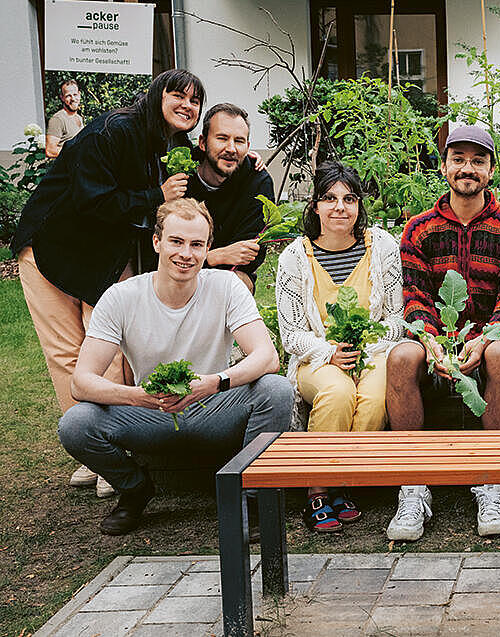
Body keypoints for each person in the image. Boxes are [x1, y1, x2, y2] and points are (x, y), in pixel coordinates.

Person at [13, 69, 205, 497]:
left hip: (102, 258)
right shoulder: (116, 130)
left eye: (195, 101)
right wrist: (157, 196)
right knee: (67, 353)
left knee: (109, 353)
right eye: (177, 95)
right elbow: (92, 198)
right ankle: (96, 456)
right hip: (50, 248)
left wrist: (248, 163)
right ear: (157, 95)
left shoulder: (170, 143)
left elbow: (205, 170)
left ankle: (112, 449)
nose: (187, 106)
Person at [56, 198, 292, 535]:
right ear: (157, 242)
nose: (186, 254)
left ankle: (250, 498)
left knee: (276, 389)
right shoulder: (121, 297)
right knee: (75, 424)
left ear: (209, 247)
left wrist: (214, 382)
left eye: (197, 244)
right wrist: (139, 396)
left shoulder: (226, 287)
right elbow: (82, 382)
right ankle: (135, 489)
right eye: (176, 242)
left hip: (213, 406)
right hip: (151, 410)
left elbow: (267, 357)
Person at [385, 124, 500, 541]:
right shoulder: (419, 229)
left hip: (495, 337)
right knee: (400, 358)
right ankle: (413, 485)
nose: (467, 169)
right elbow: (415, 296)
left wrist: (484, 338)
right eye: (459, 160)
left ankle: (492, 480)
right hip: (436, 340)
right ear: (444, 165)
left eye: (478, 161)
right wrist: (432, 341)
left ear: (491, 170)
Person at [275, 162, 404, 533]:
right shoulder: (294, 258)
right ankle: (317, 489)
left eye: (349, 199)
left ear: (359, 205)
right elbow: (292, 334)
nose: (340, 208)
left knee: (377, 395)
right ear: (315, 205)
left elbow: (395, 318)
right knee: (337, 391)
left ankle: (345, 484)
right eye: (329, 198)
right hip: (316, 356)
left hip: (372, 352)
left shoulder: (381, 248)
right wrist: (327, 352)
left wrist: (367, 345)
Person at [186, 103, 275, 293]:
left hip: (228, 275)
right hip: (177, 269)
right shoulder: (181, 173)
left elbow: (248, 255)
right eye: (222, 138)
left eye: (239, 141)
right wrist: (215, 256)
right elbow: (165, 248)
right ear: (202, 142)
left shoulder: (257, 182)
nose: (231, 148)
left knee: (237, 282)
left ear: (248, 147)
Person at [45, 79, 84, 159]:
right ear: (62, 98)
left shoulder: (79, 118)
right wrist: (78, 152)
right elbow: (50, 151)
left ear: (79, 95)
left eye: (75, 94)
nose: (73, 99)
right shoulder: (57, 119)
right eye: (68, 96)